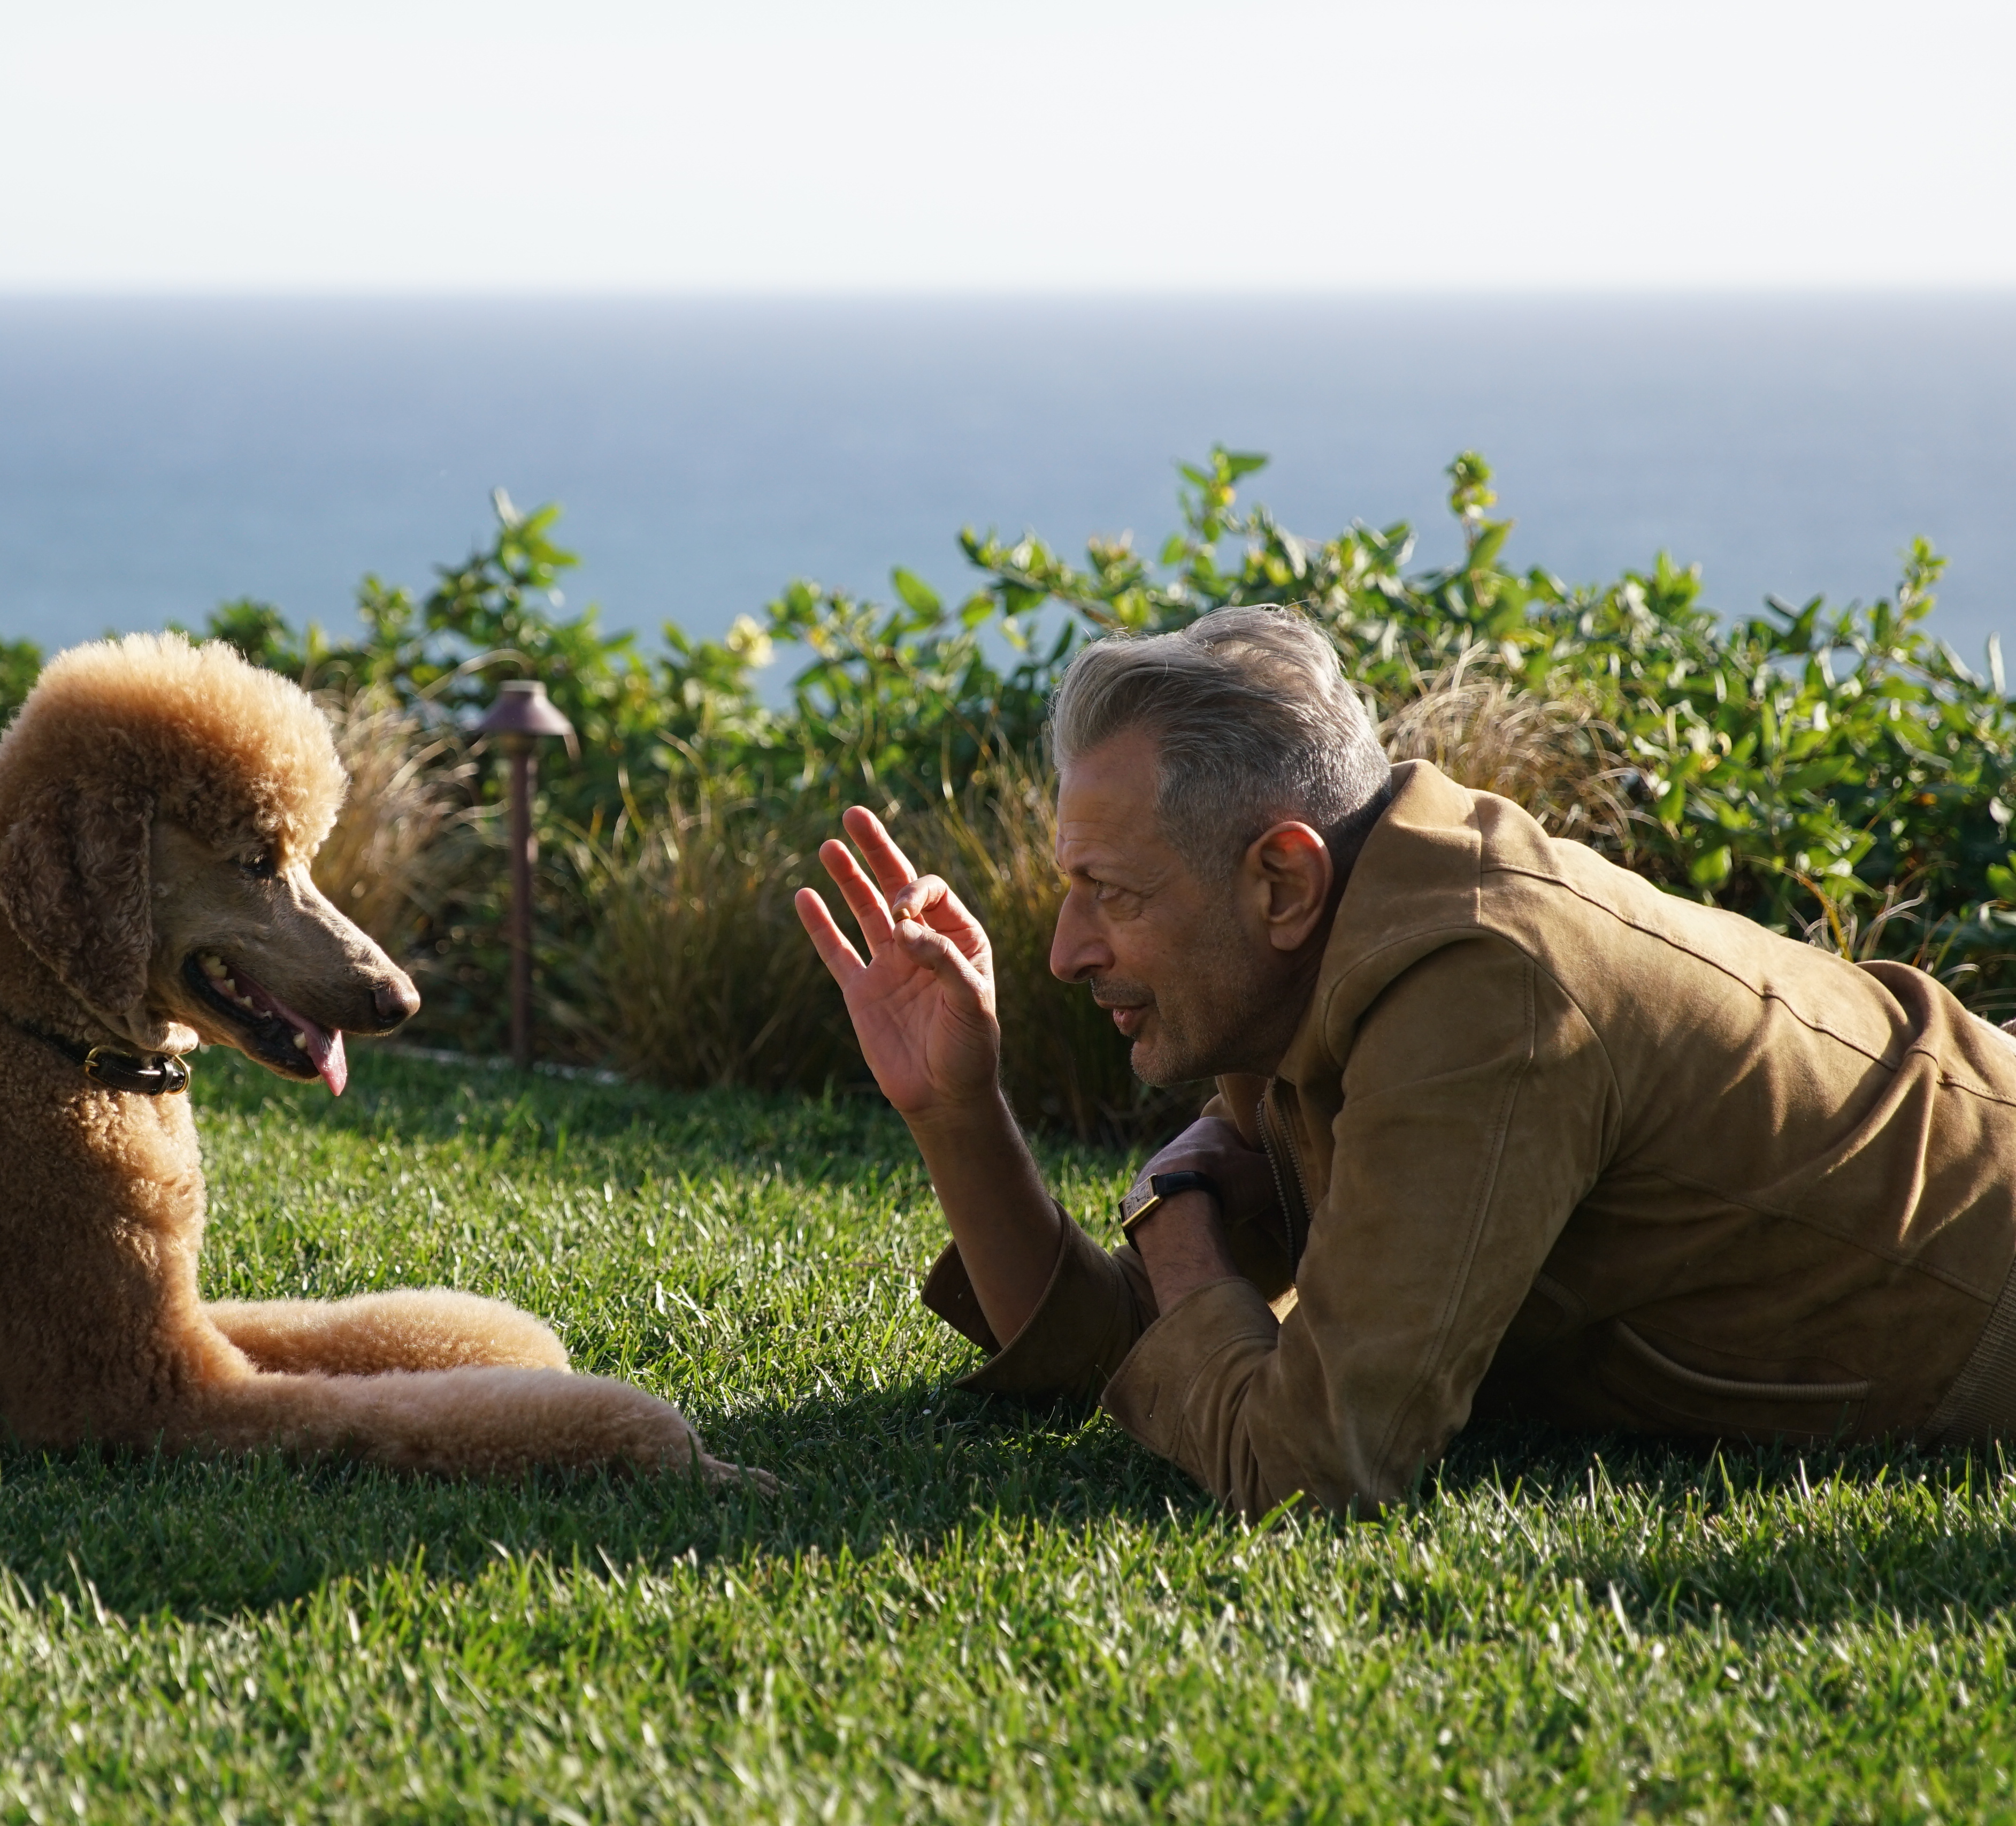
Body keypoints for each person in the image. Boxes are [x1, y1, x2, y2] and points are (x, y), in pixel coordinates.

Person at [795, 604, 2016, 1517]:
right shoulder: (1315, 965)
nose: (1064, 950)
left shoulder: (1478, 996)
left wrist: (1176, 1232)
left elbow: (1314, 1466)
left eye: (1108, 893)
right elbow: (1116, 1354)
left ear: (1281, 878)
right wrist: (955, 1106)